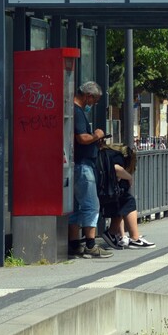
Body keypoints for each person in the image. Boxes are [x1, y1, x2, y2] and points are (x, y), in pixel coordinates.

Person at [68, 81, 113, 259]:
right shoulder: (77, 112)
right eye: (94, 100)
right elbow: (81, 138)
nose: (93, 104)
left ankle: (73, 244)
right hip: (83, 166)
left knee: (75, 208)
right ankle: (91, 245)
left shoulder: (73, 109)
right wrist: (97, 135)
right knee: (91, 205)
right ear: (88, 96)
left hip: (75, 165)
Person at [98, 143, 155, 249]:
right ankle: (134, 238)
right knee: (129, 201)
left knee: (121, 203)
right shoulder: (118, 157)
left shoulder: (108, 154)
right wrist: (129, 177)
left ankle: (112, 233)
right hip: (104, 192)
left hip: (101, 189)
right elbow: (116, 168)